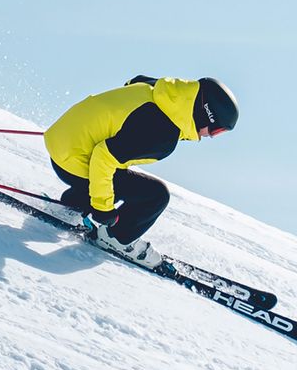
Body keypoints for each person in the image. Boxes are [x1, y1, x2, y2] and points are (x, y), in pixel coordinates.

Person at [44, 75, 239, 268]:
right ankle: (115, 238)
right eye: (215, 131)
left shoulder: (161, 89)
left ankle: (73, 205)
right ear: (206, 115)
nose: (210, 136)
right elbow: (103, 158)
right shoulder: (163, 134)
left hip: (60, 136)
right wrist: (103, 209)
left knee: (120, 175)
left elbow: (131, 83)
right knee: (155, 195)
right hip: (72, 161)